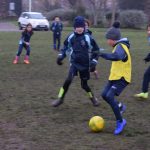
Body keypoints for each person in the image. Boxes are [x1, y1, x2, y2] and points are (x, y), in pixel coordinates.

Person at [52, 16, 100, 107]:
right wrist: (61, 56)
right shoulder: (71, 37)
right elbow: (65, 47)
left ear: (84, 27)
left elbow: (96, 50)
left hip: (85, 65)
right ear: (74, 28)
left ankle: (93, 98)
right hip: (74, 63)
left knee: (84, 85)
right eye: (77, 27)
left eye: (81, 27)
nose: (79, 29)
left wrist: (94, 61)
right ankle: (60, 98)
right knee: (68, 79)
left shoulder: (88, 37)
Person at [99, 21, 132, 135]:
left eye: (107, 39)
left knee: (109, 96)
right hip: (114, 77)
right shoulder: (118, 46)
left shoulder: (121, 46)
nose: (107, 41)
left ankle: (120, 121)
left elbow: (117, 56)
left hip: (122, 78)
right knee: (104, 95)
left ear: (112, 39)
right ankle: (120, 106)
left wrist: (101, 54)